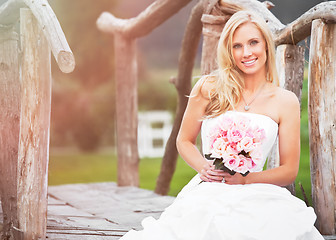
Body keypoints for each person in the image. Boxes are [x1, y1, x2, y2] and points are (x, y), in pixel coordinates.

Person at [121, 10, 324, 240]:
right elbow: (184, 140)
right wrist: (203, 167)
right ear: (229, 51)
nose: (246, 53)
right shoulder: (208, 87)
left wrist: (245, 179)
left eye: (253, 42)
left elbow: (289, 170)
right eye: (237, 46)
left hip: (256, 191)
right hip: (210, 189)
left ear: (266, 45)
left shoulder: (284, 101)